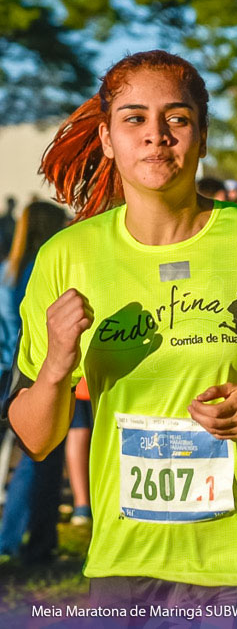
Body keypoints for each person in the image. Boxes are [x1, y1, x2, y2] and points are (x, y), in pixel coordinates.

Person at [0, 51, 237, 610]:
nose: (156, 136)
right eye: (134, 119)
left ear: (201, 135)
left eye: (176, 118)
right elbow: (36, 437)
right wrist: (56, 366)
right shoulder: (66, 256)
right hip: (125, 570)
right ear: (106, 138)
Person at [0, 200, 86, 564]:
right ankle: (28, 543)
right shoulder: (47, 268)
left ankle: (23, 541)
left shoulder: (7, 270)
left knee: (25, 460)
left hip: (4, 367)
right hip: (31, 371)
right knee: (41, 459)